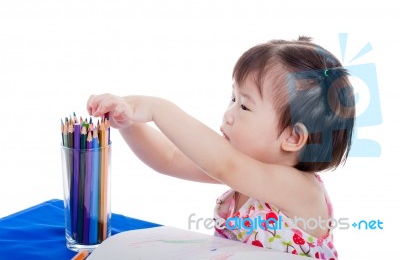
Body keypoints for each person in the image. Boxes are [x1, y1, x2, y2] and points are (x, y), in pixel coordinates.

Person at [87, 36, 355, 259]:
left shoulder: (298, 188)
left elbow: (223, 164)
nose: (228, 114)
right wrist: (129, 123)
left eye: (245, 106)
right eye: (233, 98)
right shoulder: (245, 172)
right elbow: (169, 158)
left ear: (293, 138)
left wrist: (157, 108)